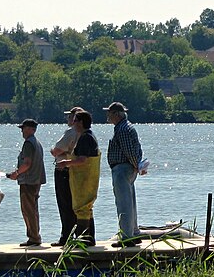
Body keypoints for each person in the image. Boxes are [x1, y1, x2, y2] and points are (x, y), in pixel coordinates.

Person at [56, 110, 100, 245]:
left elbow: (82, 160)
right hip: (85, 179)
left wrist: (65, 162)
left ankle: (83, 241)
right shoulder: (88, 136)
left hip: (84, 180)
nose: (72, 123)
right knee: (86, 208)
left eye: (75, 120)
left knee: (82, 208)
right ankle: (89, 239)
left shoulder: (86, 138)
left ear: (81, 122)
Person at [104, 100, 144, 246]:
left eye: (109, 113)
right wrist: (137, 166)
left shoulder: (122, 129)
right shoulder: (126, 127)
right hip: (127, 169)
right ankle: (134, 232)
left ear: (116, 114)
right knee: (130, 202)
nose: (107, 116)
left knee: (124, 204)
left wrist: (136, 165)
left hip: (122, 170)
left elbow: (130, 151)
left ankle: (127, 237)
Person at [6, 119, 46, 247]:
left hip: (29, 181)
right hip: (36, 180)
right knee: (33, 209)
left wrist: (16, 174)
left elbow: (27, 163)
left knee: (28, 210)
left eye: (23, 128)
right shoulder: (37, 142)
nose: (22, 131)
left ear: (30, 129)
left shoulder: (28, 143)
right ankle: (35, 236)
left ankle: (34, 238)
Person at [49, 106, 83, 246]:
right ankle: (79, 235)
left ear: (75, 118)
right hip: (76, 171)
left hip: (64, 171)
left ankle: (66, 237)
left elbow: (56, 150)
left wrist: (53, 149)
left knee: (64, 204)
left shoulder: (71, 132)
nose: (68, 118)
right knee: (76, 204)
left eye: (70, 116)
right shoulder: (84, 133)